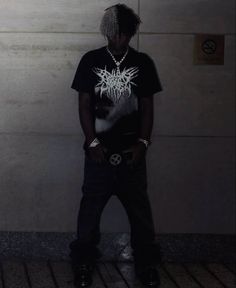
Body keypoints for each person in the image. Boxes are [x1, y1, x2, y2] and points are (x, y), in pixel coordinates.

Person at [69, 4, 163, 287]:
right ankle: (83, 265)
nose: (119, 39)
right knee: (89, 215)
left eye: (124, 34)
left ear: (131, 34)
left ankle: (146, 266)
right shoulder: (91, 60)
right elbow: (84, 104)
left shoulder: (143, 62)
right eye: (114, 33)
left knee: (141, 216)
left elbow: (148, 107)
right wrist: (92, 141)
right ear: (107, 32)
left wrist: (143, 144)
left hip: (131, 153)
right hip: (98, 153)